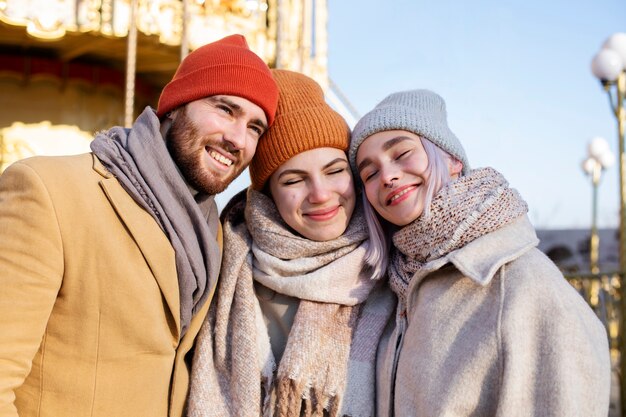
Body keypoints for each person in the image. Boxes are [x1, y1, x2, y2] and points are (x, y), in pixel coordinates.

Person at [0, 34, 278, 417]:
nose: (237, 138)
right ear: (175, 107)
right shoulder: (49, 190)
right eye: (225, 109)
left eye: (255, 127)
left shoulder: (213, 231)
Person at [348, 89, 612, 416]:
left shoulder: (526, 287)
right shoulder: (396, 287)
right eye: (369, 173)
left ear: (452, 159)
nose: (387, 176)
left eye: (402, 153)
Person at [186, 69, 396, 417]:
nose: (321, 194)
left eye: (334, 171)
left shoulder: (394, 259)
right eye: (294, 180)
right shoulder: (225, 262)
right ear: (268, 195)